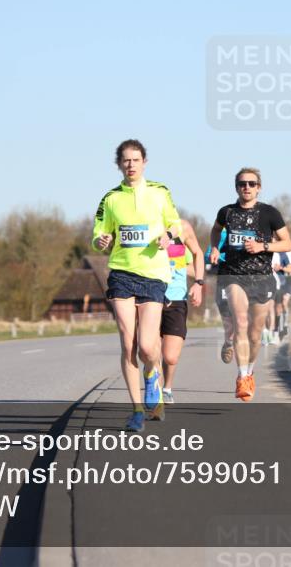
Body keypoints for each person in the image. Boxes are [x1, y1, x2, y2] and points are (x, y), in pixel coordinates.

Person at [93, 139, 181, 432]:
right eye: (125, 160)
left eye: (136, 159)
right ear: (119, 164)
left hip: (154, 273)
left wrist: (168, 236)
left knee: (147, 346)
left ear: (144, 162)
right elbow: (99, 233)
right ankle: (136, 410)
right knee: (127, 341)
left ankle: (152, 374)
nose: (131, 165)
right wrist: (101, 240)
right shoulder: (110, 199)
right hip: (121, 272)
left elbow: (174, 223)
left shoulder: (159, 191)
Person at [209, 168, 291, 401]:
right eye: (242, 183)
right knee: (241, 322)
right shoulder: (226, 212)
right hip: (233, 275)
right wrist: (215, 247)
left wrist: (262, 246)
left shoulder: (269, 213)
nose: (247, 187)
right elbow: (216, 230)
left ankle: (250, 370)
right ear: (236, 187)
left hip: (262, 278)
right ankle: (242, 375)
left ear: (259, 187)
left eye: (252, 184)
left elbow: (287, 243)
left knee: (256, 335)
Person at [160, 219, 205, 404]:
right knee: (150, 351)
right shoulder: (147, 224)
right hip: (150, 296)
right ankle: (153, 391)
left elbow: (195, 261)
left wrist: (198, 283)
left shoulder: (182, 228)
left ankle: (167, 387)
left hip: (176, 297)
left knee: (170, 357)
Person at [208, 228, 237, 364]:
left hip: (244, 279)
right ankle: (229, 342)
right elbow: (208, 257)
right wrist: (216, 258)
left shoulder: (245, 233)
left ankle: (236, 341)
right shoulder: (219, 235)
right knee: (227, 317)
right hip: (224, 280)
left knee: (240, 316)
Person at [273, 251, 291, 341]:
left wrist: (283, 267)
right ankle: (278, 327)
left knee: (284, 303)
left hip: (288, 281)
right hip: (280, 281)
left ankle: (285, 325)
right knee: (278, 306)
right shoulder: (276, 253)